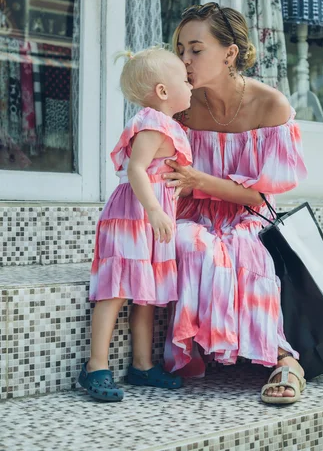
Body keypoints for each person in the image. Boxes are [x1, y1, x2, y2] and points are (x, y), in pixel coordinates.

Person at [162, 3, 308, 405]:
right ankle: (205, 349)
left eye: (196, 49)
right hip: (194, 212)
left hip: (250, 214)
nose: (184, 60)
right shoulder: (182, 106)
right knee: (191, 242)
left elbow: (260, 195)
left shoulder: (270, 105)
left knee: (243, 248)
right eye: (180, 50)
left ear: (229, 53)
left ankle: (284, 358)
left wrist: (200, 181)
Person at [79, 46, 193, 402]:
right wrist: (155, 209)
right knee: (116, 290)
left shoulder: (168, 124)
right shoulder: (152, 122)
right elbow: (136, 169)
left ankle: (142, 365)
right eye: (185, 81)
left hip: (153, 217)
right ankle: (96, 365)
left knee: (147, 294)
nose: (190, 86)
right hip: (135, 215)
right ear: (162, 91)